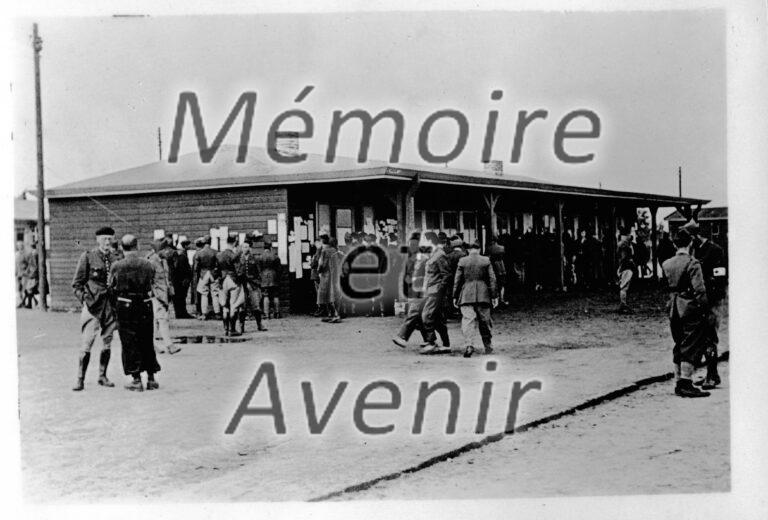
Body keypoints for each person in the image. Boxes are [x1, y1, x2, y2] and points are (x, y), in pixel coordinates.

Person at [661, 228, 711, 398]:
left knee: (678, 343)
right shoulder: (693, 263)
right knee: (690, 344)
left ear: (675, 244)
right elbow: (700, 290)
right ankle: (686, 382)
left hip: (673, 307)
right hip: (689, 307)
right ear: (690, 243)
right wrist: (704, 308)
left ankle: (678, 381)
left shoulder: (666, 264)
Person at [109, 234, 161, 392]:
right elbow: (153, 283)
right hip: (145, 304)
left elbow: (111, 287)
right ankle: (151, 379)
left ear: (121, 248)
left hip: (126, 306)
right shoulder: (149, 264)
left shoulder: (117, 266)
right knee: (146, 339)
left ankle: (136, 379)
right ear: (137, 247)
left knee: (130, 342)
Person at [71, 226, 118, 391]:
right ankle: (80, 379)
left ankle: (102, 376)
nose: (107, 242)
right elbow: (76, 284)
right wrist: (84, 299)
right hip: (92, 306)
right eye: (104, 239)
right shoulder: (88, 257)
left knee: (107, 342)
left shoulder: (115, 258)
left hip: (110, 307)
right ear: (97, 240)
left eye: (110, 239)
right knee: (87, 342)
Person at [683, 220, 726, 389]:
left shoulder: (715, 250)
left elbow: (720, 277)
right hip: (699, 301)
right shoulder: (692, 250)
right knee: (702, 338)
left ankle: (712, 375)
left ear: (694, 236)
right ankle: (712, 373)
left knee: (710, 338)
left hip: (713, 301)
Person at [453, 241, 498, 358]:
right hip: (483, 294)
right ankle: (488, 345)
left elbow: (457, 280)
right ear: (478, 249)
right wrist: (494, 295)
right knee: (485, 321)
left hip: (466, 294)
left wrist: (454, 295)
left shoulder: (462, 261)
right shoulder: (486, 260)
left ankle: (469, 345)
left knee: (468, 320)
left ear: (468, 249)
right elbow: (492, 279)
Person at [420, 232, 452, 355]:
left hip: (435, 292)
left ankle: (431, 343)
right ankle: (446, 344)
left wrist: (439, 289)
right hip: (430, 291)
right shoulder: (433, 254)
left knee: (426, 316)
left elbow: (446, 274)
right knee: (437, 319)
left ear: (430, 241)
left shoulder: (439, 255)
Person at [392, 244, 430, 348]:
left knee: (414, 313)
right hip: (416, 290)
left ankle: (402, 336)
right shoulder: (415, 260)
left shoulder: (422, 260)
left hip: (419, 290)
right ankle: (428, 339)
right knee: (419, 316)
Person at [147, 239, 181, 354]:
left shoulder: (164, 261)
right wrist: (155, 294)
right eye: (164, 249)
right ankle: (169, 345)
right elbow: (149, 281)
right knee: (161, 319)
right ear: (158, 250)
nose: (166, 251)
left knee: (157, 320)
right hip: (156, 296)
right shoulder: (151, 262)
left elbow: (167, 278)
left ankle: (153, 345)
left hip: (164, 294)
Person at [217, 235, 246, 336]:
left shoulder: (219, 255)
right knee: (233, 305)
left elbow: (216, 269)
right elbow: (239, 270)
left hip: (222, 280)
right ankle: (232, 330)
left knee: (224, 305)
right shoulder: (235, 255)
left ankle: (225, 329)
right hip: (233, 279)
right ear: (234, 243)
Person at [238, 238, 267, 333]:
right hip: (242, 285)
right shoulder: (239, 258)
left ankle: (260, 324)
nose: (244, 248)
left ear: (249, 248)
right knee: (242, 306)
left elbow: (259, 272)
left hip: (253, 284)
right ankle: (241, 326)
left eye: (246, 247)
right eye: (243, 247)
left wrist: (258, 283)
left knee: (256, 305)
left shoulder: (254, 258)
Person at [194, 236, 221, 320]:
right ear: (210, 242)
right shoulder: (215, 252)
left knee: (204, 294)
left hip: (203, 274)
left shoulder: (199, 253)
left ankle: (204, 313)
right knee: (215, 293)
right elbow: (219, 265)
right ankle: (217, 313)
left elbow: (196, 268)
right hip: (213, 274)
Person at [258, 242, 282, 319]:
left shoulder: (260, 257)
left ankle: (266, 314)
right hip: (274, 276)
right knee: (276, 295)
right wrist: (277, 277)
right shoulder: (275, 256)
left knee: (265, 295)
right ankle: (277, 313)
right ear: (270, 247)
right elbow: (279, 269)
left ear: (264, 248)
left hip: (264, 277)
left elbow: (259, 269)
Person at [171, 239, 194, 319]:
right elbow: (183, 268)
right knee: (181, 296)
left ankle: (180, 313)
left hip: (179, 280)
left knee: (180, 297)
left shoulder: (181, 254)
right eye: (188, 245)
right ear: (185, 246)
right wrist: (187, 277)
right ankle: (182, 313)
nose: (190, 246)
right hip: (181, 280)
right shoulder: (182, 255)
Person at [616, 229, 636, 313]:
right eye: (628, 234)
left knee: (625, 286)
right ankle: (623, 304)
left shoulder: (623, 244)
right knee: (624, 286)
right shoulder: (624, 245)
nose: (630, 236)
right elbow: (624, 257)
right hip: (626, 267)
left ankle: (623, 304)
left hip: (625, 266)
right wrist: (630, 261)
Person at [487, 236, 508, 304]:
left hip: (492, 266)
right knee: (502, 284)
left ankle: (495, 299)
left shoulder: (489, 248)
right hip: (501, 267)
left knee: (494, 283)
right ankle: (502, 299)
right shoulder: (502, 248)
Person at [23, 242, 40, 308]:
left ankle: (30, 304)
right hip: (31, 274)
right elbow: (30, 265)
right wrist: (26, 272)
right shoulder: (33, 254)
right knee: (27, 290)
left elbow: (35, 266)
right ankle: (33, 302)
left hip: (34, 275)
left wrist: (32, 274)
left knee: (29, 289)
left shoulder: (35, 254)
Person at [15, 241, 25, 307]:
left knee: (24, 288)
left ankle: (22, 302)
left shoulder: (25, 254)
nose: (20, 247)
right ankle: (21, 301)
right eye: (18, 246)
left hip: (24, 273)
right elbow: (15, 264)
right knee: (18, 289)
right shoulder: (16, 254)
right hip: (18, 273)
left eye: (21, 245)